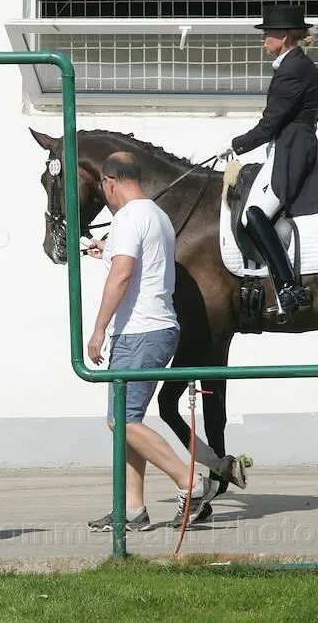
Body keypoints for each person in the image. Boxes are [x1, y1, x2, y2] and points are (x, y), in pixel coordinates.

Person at [85, 152, 219, 531]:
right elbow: (137, 266)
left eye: (103, 188)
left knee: (121, 421)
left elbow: (124, 275)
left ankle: (190, 481)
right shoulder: (156, 215)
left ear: (110, 181)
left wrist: (98, 329)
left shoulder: (127, 217)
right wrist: (106, 253)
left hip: (140, 331)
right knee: (130, 422)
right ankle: (132, 510)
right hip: (153, 328)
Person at [219, 4, 318, 316]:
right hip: (290, 145)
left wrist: (235, 145)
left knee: (253, 214)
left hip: (292, 148)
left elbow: (270, 124)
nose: (263, 40)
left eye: (267, 34)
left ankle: (289, 288)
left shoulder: (292, 71)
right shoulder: (294, 65)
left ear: (283, 36)